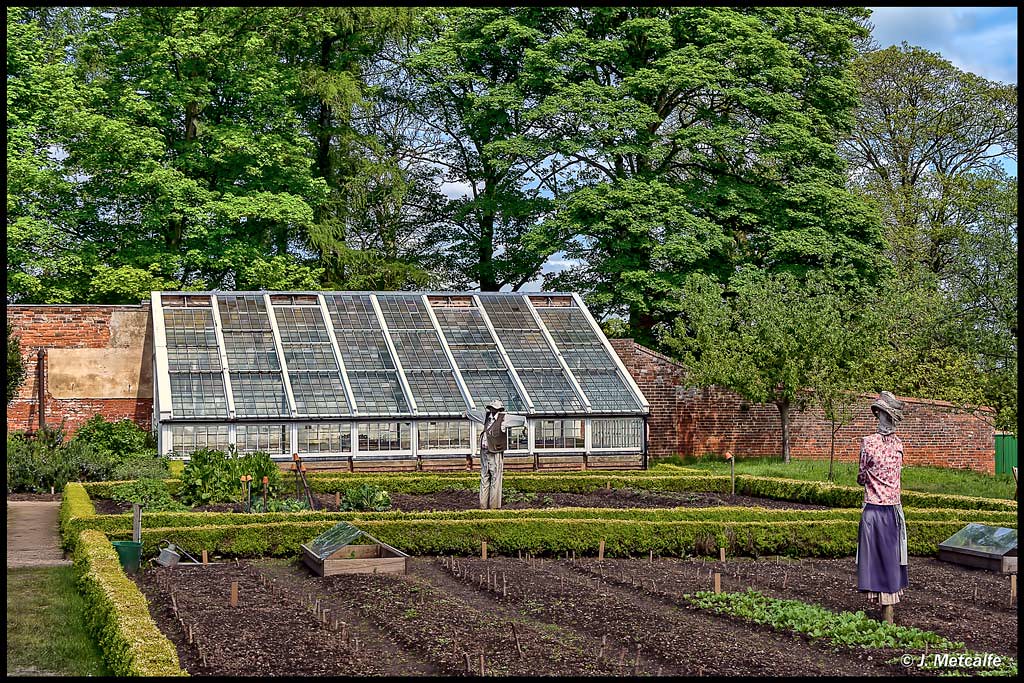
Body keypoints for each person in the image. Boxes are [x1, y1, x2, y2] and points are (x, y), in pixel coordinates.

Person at [856, 391, 909, 617]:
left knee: (876, 560)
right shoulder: (899, 445)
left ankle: (886, 610)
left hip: (873, 509)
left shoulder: (868, 443)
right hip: (893, 510)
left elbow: (861, 477)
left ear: (878, 414)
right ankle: (888, 609)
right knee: (891, 559)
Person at [467, 400, 525, 509]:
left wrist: (524, 422)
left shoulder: (502, 418)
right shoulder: (488, 417)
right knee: (488, 477)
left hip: (494, 451)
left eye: (495, 408)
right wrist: (467, 413)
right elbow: (475, 415)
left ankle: (491, 505)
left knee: (492, 477)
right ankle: (486, 505)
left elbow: (520, 420)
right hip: (486, 451)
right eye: (492, 408)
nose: (493, 410)